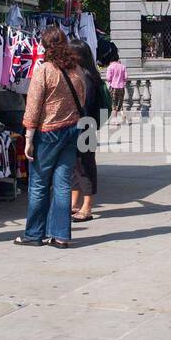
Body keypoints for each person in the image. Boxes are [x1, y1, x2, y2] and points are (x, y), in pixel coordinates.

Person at [17, 26, 86, 248]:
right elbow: (83, 99)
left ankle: (34, 234)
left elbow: (33, 105)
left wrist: (28, 137)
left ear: (45, 46)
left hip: (47, 133)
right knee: (63, 184)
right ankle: (60, 236)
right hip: (71, 130)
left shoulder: (44, 70)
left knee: (38, 184)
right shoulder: (77, 70)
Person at [71, 43, 103, 223]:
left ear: (79, 55)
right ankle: (74, 203)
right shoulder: (81, 74)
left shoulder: (87, 77)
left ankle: (87, 206)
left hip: (85, 125)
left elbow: (86, 105)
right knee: (75, 165)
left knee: (85, 165)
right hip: (80, 125)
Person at [106, 52, 127, 122]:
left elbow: (108, 78)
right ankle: (123, 114)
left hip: (113, 87)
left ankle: (115, 120)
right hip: (121, 87)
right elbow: (126, 78)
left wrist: (111, 81)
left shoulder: (110, 67)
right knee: (120, 103)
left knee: (113, 104)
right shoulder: (123, 66)